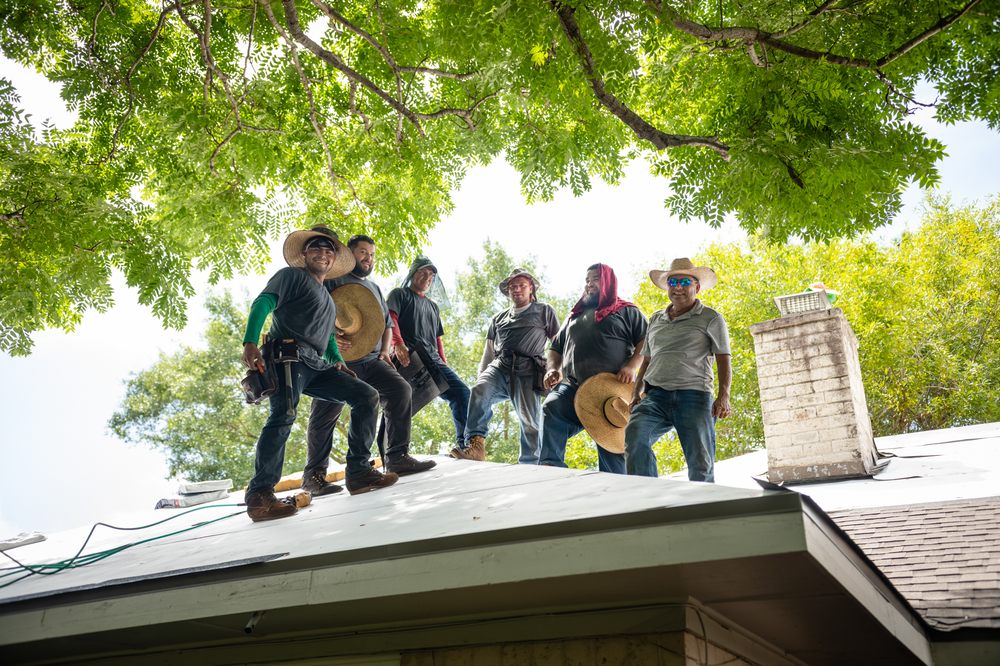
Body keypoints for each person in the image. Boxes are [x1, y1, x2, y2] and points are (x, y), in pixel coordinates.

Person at [241, 226, 397, 522]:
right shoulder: (292, 277)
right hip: (290, 357)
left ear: (335, 258)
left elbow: (326, 337)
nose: (323, 254)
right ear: (304, 254)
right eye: (316, 248)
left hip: (318, 365)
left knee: (366, 396)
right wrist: (250, 342)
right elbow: (264, 302)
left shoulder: (326, 297)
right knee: (284, 414)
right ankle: (260, 494)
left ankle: (360, 472)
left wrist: (337, 360)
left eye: (329, 250)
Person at [305, 235, 435, 493]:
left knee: (401, 390)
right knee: (326, 414)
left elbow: (387, 324)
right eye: (363, 252)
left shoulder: (374, 288)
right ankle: (314, 477)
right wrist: (330, 336)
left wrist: (385, 351)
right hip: (337, 362)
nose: (368, 258)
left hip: (371, 359)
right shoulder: (331, 280)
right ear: (349, 254)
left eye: (372, 254)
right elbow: (316, 314)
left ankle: (396, 457)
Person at [624, 258, 732, 482]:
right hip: (655, 396)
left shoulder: (711, 318)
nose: (678, 287)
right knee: (635, 437)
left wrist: (724, 395)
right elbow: (646, 360)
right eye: (673, 282)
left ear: (697, 287)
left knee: (700, 463)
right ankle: (647, 501)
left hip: (694, 396)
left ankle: (702, 512)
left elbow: (723, 358)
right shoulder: (655, 319)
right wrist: (636, 393)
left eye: (685, 281)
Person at [538, 264, 648, 473]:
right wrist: (553, 369)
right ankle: (550, 467)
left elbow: (648, 340)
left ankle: (616, 490)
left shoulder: (627, 311)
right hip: (572, 386)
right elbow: (555, 348)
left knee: (612, 445)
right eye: (587, 280)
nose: (589, 284)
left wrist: (632, 366)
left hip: (611, 390)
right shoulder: (574, 316)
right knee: (552, 408)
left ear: (608, 281)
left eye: (595, 279)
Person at [453, 268, 560, 463]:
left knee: (530, 422)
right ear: (507, 291)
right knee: (479, 390)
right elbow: (488, 352)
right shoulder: (498, 318)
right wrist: (482, 375)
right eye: (512, 286)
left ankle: (530, 464)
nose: (517, 289)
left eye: (522, 285)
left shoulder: (544, 311)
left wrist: (557, 371)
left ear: (531, 289)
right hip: (500, 365)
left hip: (528, 369)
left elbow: (557, 344)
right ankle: (476, 446)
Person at [387, 257, 471, 452]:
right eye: (423, 273)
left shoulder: (433, 307)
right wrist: (398, 344)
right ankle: (394, 453)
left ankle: (465, 446)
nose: (427, 278)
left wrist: (444, 362)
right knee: (399, 403)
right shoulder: (400, 295)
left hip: (433, 360)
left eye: (431, 275)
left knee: (461, 393)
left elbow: (437, 338)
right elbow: (390, 318)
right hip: (411, 356)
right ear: (413, 274)